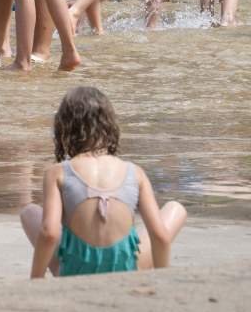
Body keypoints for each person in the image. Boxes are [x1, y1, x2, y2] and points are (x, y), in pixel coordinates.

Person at [20, 86, 187, 276]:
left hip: (73, 272)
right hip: (126, 270)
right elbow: (161, 236)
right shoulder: (135, 173)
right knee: (175, 208)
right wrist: (160, 278)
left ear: (63, 128)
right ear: (110, 126)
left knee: (29, 212)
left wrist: (36, 279)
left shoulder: (57, 173)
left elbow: (50, 233)